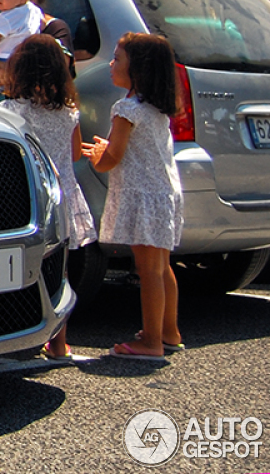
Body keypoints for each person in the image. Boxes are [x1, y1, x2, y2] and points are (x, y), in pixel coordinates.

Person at [82, 33, 184, 360]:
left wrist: (99, 155)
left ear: (137, 69)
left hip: (141, 195)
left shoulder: (126, 108)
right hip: (163, 193)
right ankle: (169, 331)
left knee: (147, 269)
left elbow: (113, 157)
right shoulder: (156, 108)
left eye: (117, 59)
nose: (111, 64)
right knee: (162, 266)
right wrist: (107, 149)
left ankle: (151, 341)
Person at [1, 34, 96, 361]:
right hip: (63, 194)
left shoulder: (11, 110)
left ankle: (19, 335)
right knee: (60, 271)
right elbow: (74, 154)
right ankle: (59, 342)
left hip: (27, 198)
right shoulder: (68, 111)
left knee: (19, 268)